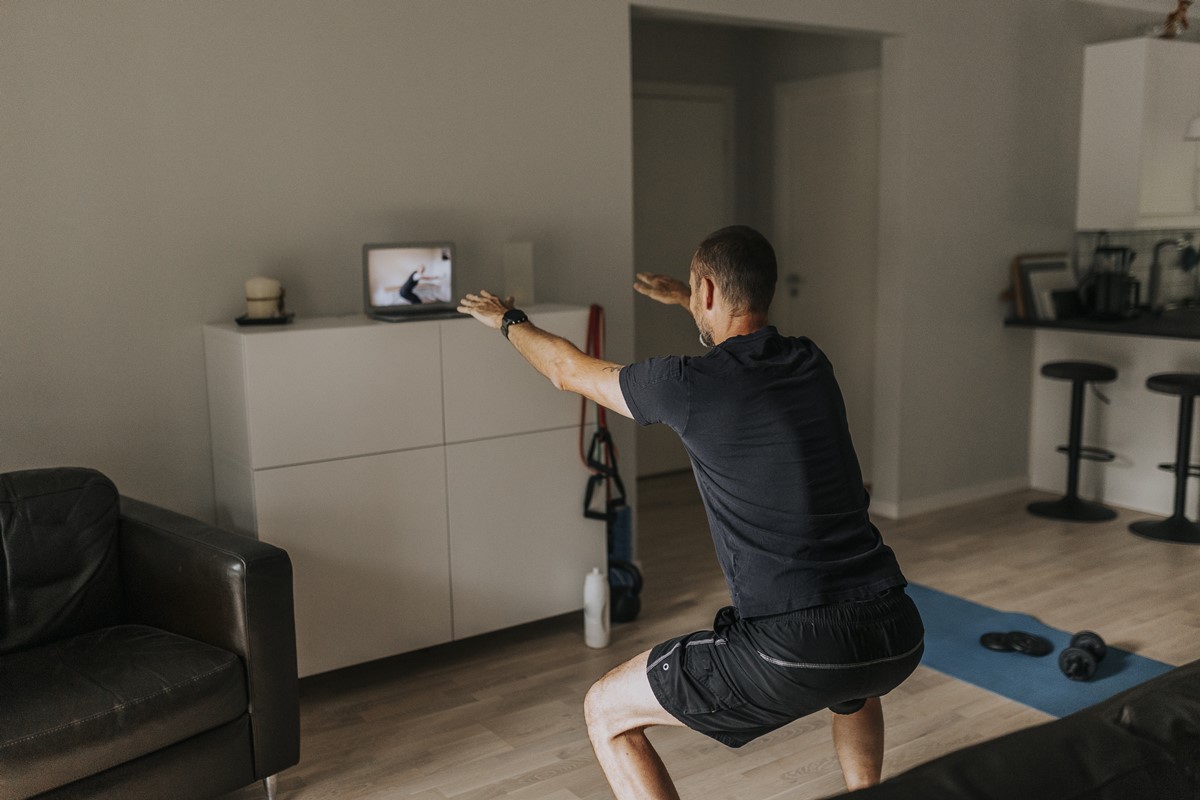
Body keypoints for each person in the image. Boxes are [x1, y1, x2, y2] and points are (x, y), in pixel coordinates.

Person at [457, 225, 924, 799]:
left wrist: (508, 319)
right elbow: (739, 338)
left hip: (794, 647)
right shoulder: (811, 362)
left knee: (606, 710)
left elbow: (567, 370)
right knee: (852, 684)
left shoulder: (684, 383)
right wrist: (690, 298)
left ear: (708, 290)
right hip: (895, 628)